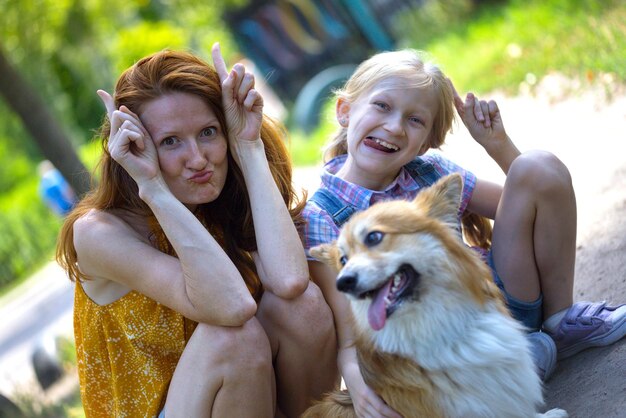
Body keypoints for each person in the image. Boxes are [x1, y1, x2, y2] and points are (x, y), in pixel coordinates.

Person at [301, 49, 626, 417]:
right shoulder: (322, 215)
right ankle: (510, 364)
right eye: (381, 106)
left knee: (539, 167)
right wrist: (358, 388)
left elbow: (536, 203)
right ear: (345, 111)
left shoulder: (428, 169)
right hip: (435, 350)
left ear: (426, 142)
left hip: (496, 304)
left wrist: (496, 144)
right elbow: (351, 332)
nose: (394, 126)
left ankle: (558, 322)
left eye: (414, 120)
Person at [56, 44, 338, 418]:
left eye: (208, 132)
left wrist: (248, 146)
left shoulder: (219, 199)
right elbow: (232, 308)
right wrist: (153, 187)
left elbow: (289, 283)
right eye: (170, 142)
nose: (198, 158)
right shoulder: (98, 232)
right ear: (134, 147)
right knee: (234, 338)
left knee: (304, 310)